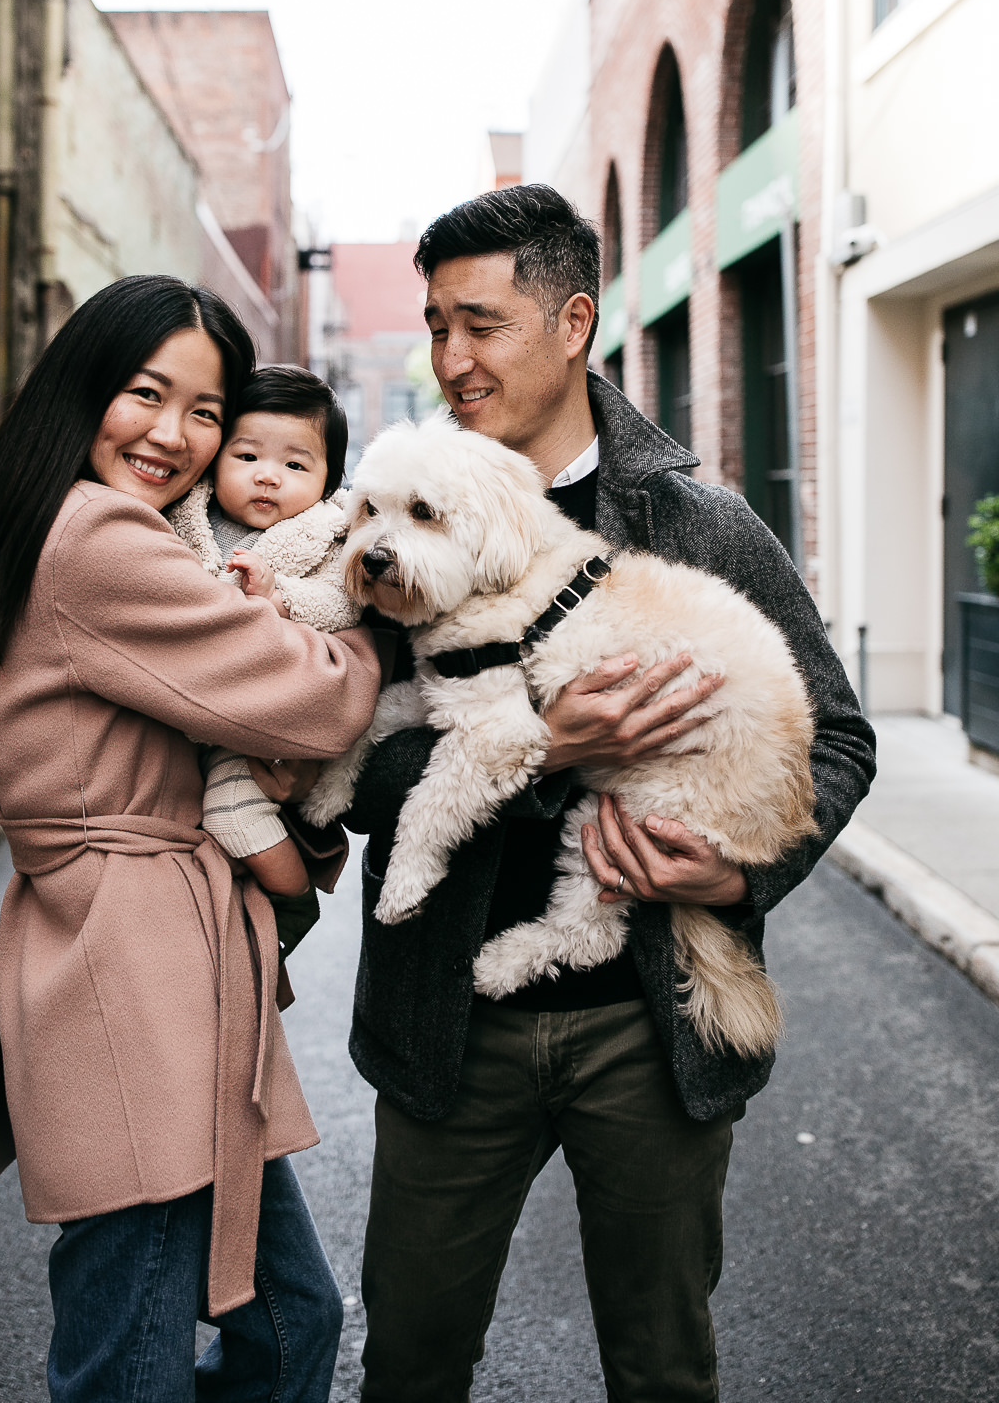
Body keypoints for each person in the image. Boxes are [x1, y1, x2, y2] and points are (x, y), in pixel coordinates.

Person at [314, 186, 875, 1401]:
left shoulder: (699, 522)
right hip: (447, 1021)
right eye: (433, 326)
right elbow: (351, 764)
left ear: (573, 322)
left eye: (480, 324)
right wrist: (547, 744)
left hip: (649, 1018)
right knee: (408, 1360)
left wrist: (740, 873)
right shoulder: (392, 520)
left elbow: (836, 736)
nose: (450, 360)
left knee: (663, 1368)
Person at [0, 274, 380, 1403]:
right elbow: (316, 700)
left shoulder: (48, 514)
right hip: (135, 968)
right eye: (144, 393)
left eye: (208, 413)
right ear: (86, 387)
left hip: (140, 947)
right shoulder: (98, 537)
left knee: (288, 1318)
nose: (174, 436)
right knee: (134, 1349)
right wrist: (365, 641)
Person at [168, 365, 359, 900]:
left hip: (250, 730)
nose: (268, 475)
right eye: (247, 456)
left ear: (329, 478)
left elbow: (345, 602)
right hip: (174, 718)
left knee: (231, 813)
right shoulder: (182, 518)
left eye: (294, 463)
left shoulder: (326, 536)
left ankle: (291, 906)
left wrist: (282, 600)